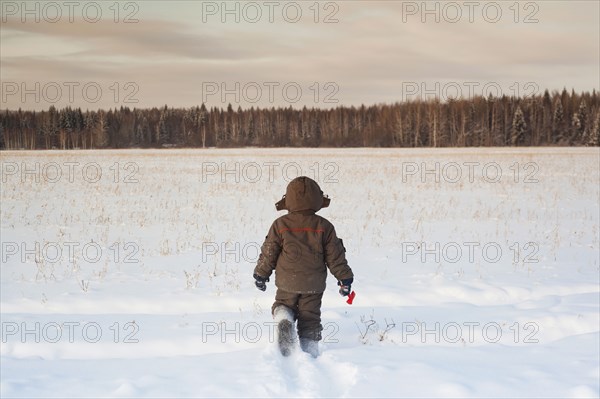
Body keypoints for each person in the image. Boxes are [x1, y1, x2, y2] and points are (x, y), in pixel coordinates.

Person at [253, 176, 354, 357]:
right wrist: (344, 278)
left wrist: (261, 274)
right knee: (310, 317)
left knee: (283, 304)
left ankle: (284, 319)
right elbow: (335, 256)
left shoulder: (280, 225)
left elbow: (269, 251)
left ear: (288, 199)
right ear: (316, 199)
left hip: (286, 281)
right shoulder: (325, 226)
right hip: (313, 284)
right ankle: (310, 350)